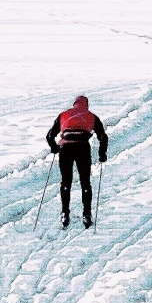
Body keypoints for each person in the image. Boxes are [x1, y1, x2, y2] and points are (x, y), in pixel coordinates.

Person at [46, 95, 108, 229]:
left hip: (66, 149)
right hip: (82, 148)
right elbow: (103, 137)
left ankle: (65, 213)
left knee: (66, 182)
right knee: (85, 182)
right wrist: (102, 154)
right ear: (86, 105)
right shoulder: (92, 116)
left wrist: (55, 148)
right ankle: (86, 214)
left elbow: (50, 135)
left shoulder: (63, 115)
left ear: (74, 104)